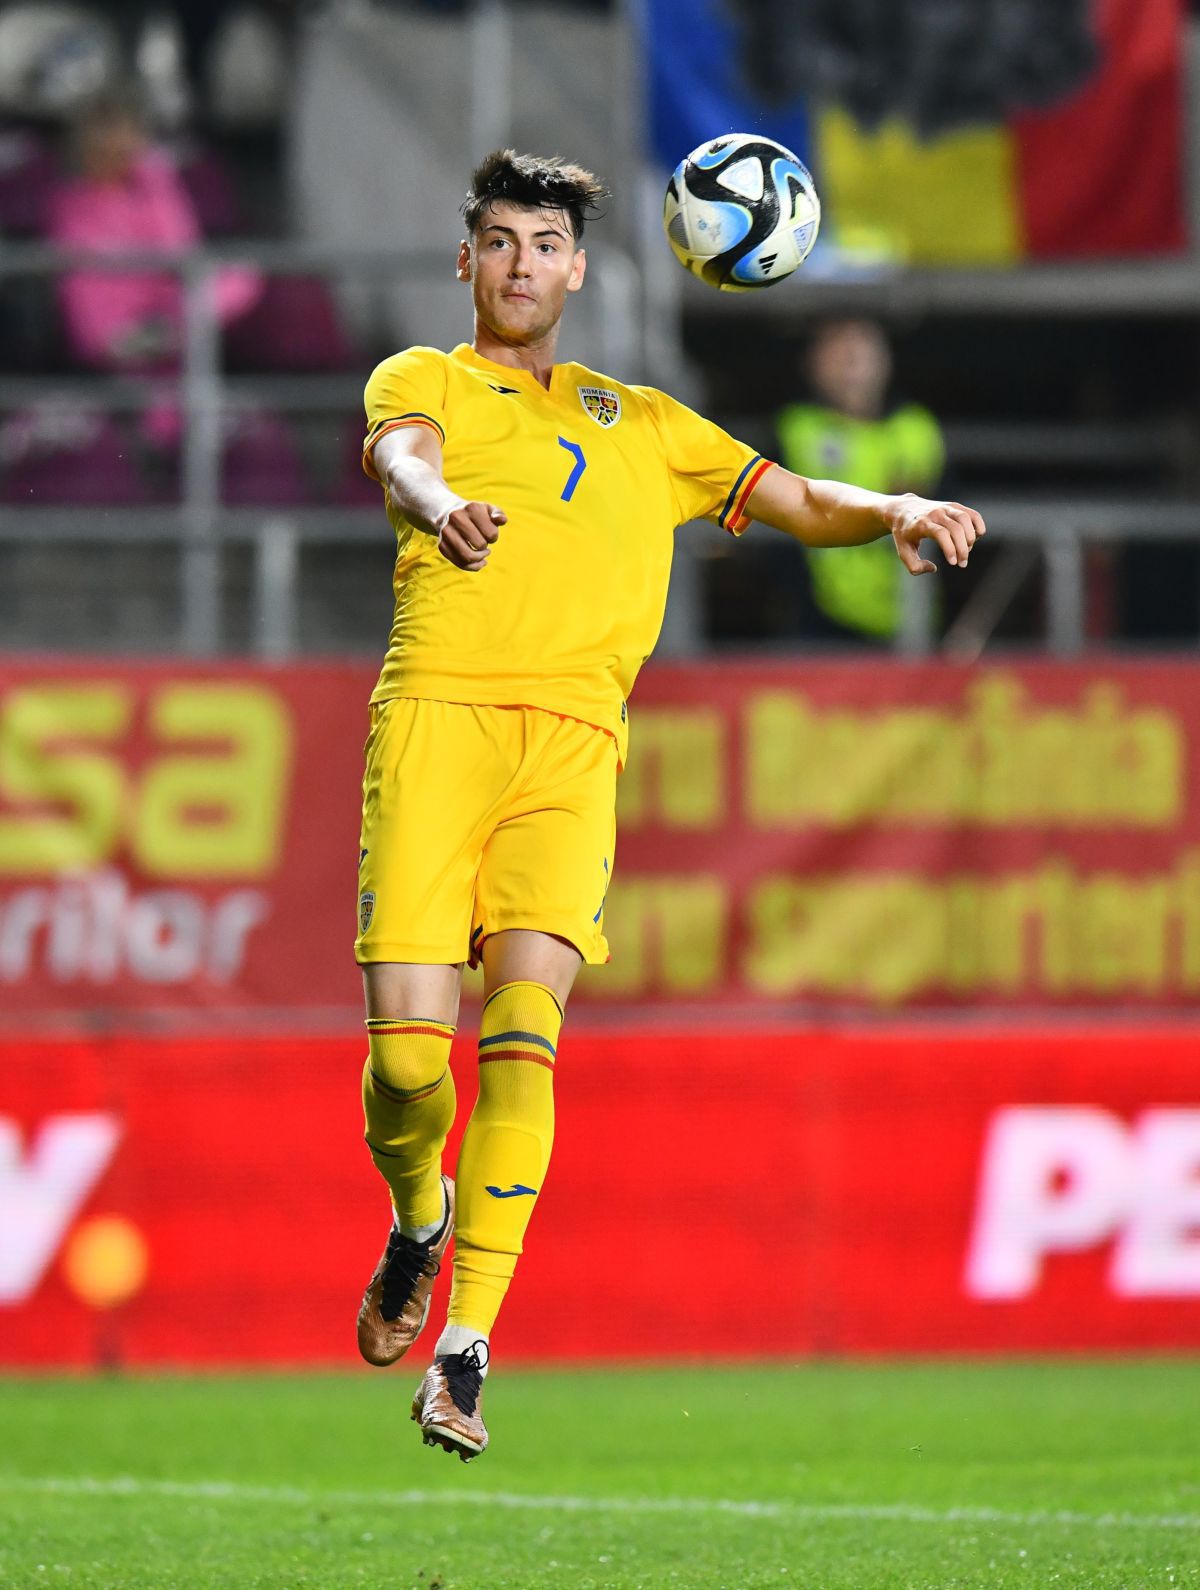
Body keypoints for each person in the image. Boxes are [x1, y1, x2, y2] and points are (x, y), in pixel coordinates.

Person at [354, 150, 985, 1463]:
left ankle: (465, 1349)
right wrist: (441, 504)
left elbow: (794, 497)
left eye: (545, 244)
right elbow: (404, 461)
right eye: (500, 242)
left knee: (523, 1034)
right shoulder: (424, 378)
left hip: (575, 750)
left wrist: (897, 508)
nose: (522, 264)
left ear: (581, 269)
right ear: (466, 261)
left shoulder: (640, 420)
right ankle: (420, 1215)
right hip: (438, 725)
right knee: (413, 1064)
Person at [775, 318, 946, 643]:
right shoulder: (793, 429)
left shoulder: (917, 428)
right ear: (812, 363)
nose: (850, 360)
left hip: (910, 617)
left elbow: (958, 511)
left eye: (861, 348)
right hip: (817, 622)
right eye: (837, 349)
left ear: (885, 359)